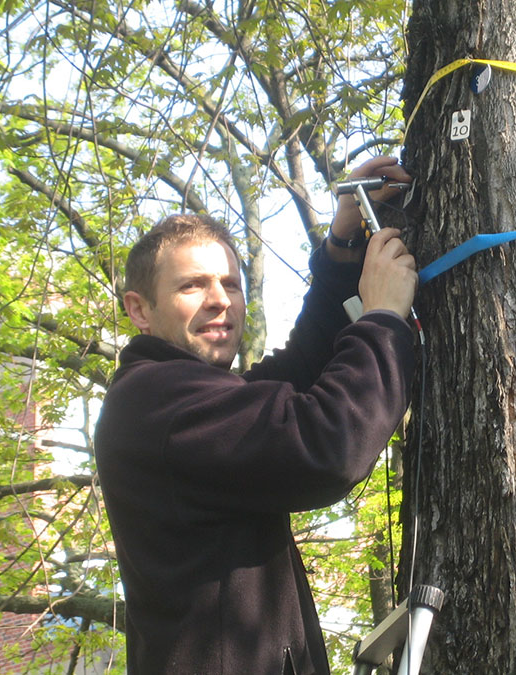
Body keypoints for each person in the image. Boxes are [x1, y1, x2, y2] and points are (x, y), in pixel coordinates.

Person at [95, 156, 418, 674]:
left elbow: (300, 368)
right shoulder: (160, 401)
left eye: (231, 284)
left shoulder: (174, 399)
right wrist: (381, 319)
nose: (220, 301)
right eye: (192, 285)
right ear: (139, 310)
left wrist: (342, 247)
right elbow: (327, 446)